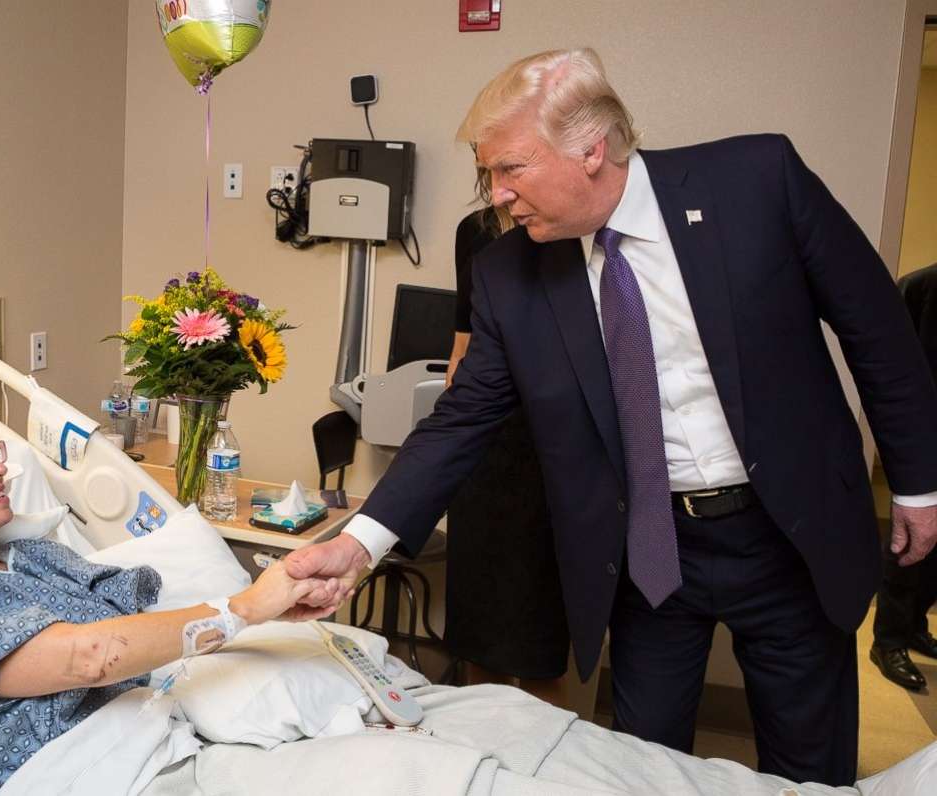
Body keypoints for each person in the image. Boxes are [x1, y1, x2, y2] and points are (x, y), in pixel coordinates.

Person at [286, 48, 937, 786]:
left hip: (787, 533)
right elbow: (462, 418)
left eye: (511, 169)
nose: (496, 195)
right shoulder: (508, 273)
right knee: (636, 766)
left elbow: (877, 330)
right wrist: (361, 543)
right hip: (650, 553)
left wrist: (918, 485)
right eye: (487, 174)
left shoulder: (757, 182)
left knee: (808, 768)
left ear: (591, 149)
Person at [0, 399, 333, 794]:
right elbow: (87, 658)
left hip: (165, 734)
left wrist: (269, 610)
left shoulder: (34, 557)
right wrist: (243, 609)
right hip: (73, 772)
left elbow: (140, 616)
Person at [444, 180, 571, 704]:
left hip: (554, 448)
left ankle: (544, 763)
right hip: (488, 447)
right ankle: (483, 750)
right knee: (479, 622)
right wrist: (450, 440)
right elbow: (463, 345)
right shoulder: (474, 233)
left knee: (541, 628)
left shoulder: (570, 230)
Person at [870, 262, 937, 690]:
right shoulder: (926, 286)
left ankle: (914, 625)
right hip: (926, 435)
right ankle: (888, 638)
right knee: (910, 542)